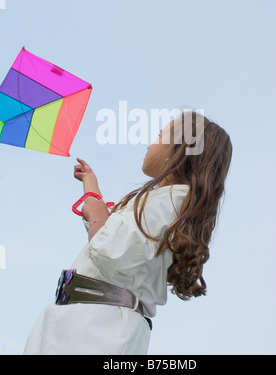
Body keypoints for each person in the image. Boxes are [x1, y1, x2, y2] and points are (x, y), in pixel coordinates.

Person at [23, 110, 232, 355]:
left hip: (98, 328)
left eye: (158, 136)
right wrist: (91, 185)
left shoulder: (172, 202)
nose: (150, 143)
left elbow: (109, 250)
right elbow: (114, 228)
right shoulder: (165, 203)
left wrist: (96, 214)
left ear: (179, 149)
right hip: (85, 321)